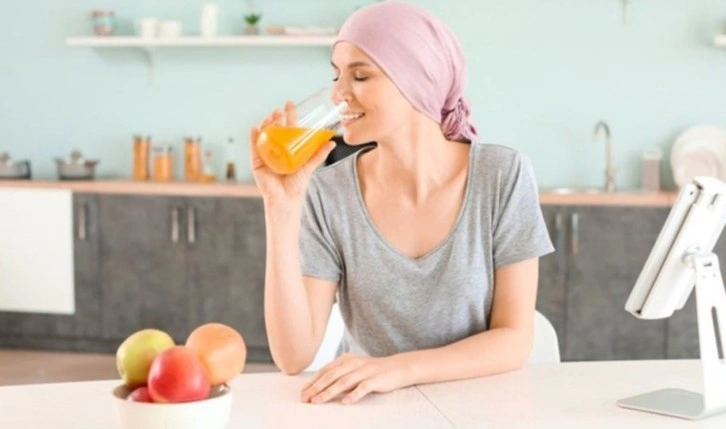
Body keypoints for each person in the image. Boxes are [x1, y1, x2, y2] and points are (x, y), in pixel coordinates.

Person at [248, 1, 554, 405]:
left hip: (476, 407)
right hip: (367, 408)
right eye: (337, 75)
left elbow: (513, 339)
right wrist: (281, 208)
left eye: (360, 75)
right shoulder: (329, 192)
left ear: (417, 81)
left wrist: (398, 369)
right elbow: (293, 356)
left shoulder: (501, 176)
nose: (338, 93)